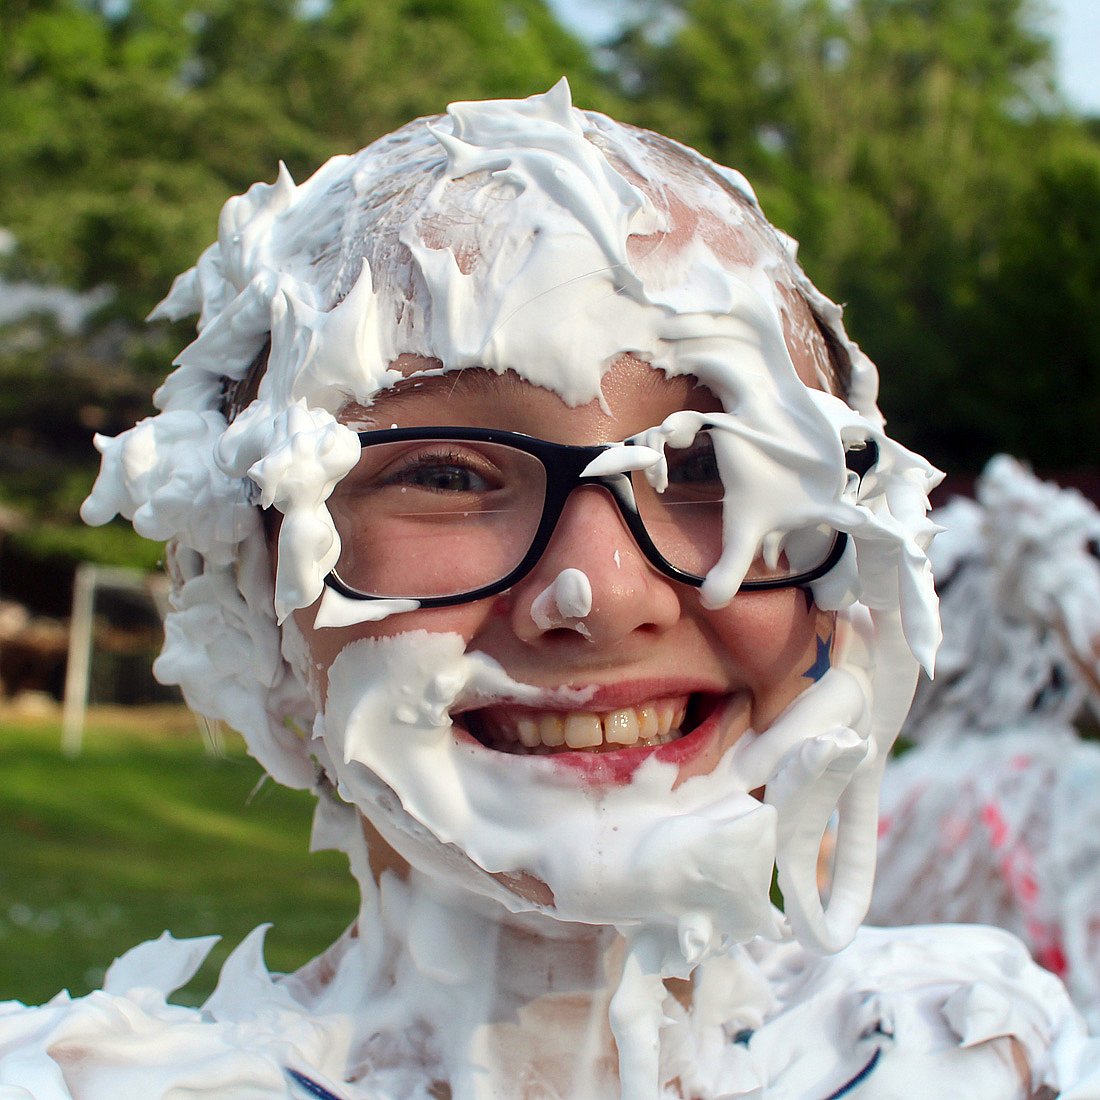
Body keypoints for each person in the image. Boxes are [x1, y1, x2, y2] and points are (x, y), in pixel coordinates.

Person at [2, 81, 1098, 1098]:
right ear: (254, 580)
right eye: (443, 472)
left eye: (717, 465)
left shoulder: (988, 1049)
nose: (600, 588)